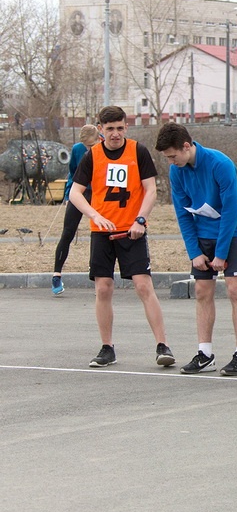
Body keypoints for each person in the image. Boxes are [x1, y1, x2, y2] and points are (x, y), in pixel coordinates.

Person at [68, 106, 174, 368]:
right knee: (103, 288)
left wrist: (141, 220)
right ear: (100, 129)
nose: (115, 133)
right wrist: (95, 215)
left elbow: (151, 190)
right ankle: (107, 348)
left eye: (119, 128)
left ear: (126, 127)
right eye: (109, 128)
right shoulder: (91, 156)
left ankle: (162, 345)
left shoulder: (138, 151)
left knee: (143, 285)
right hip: (102, 232)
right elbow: (75, 193)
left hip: (132, 230)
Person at [155, 123, 237, 376]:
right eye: (167, 158)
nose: (171, 161)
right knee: (201, 291)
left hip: (231, 231)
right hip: (202, 233)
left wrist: (221, 253)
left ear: (186, 146)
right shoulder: (176, 172)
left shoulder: (221, 164)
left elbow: (231, 210)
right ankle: (205, 354)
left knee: (234, 290)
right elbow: (182, 213)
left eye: (173, 156)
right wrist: (194, 252)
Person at [52, 124, 101, 295]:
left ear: (98, 138)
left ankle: (96, 273)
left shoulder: (105, 147)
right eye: (86, 146)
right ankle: (57, 274)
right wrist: (68, 194)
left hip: (98, 193)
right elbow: (73, 173)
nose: (89, 149)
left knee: (98, 232)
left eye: (92, 145)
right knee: (68, 232)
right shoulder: (77, 149)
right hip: (80, 192)